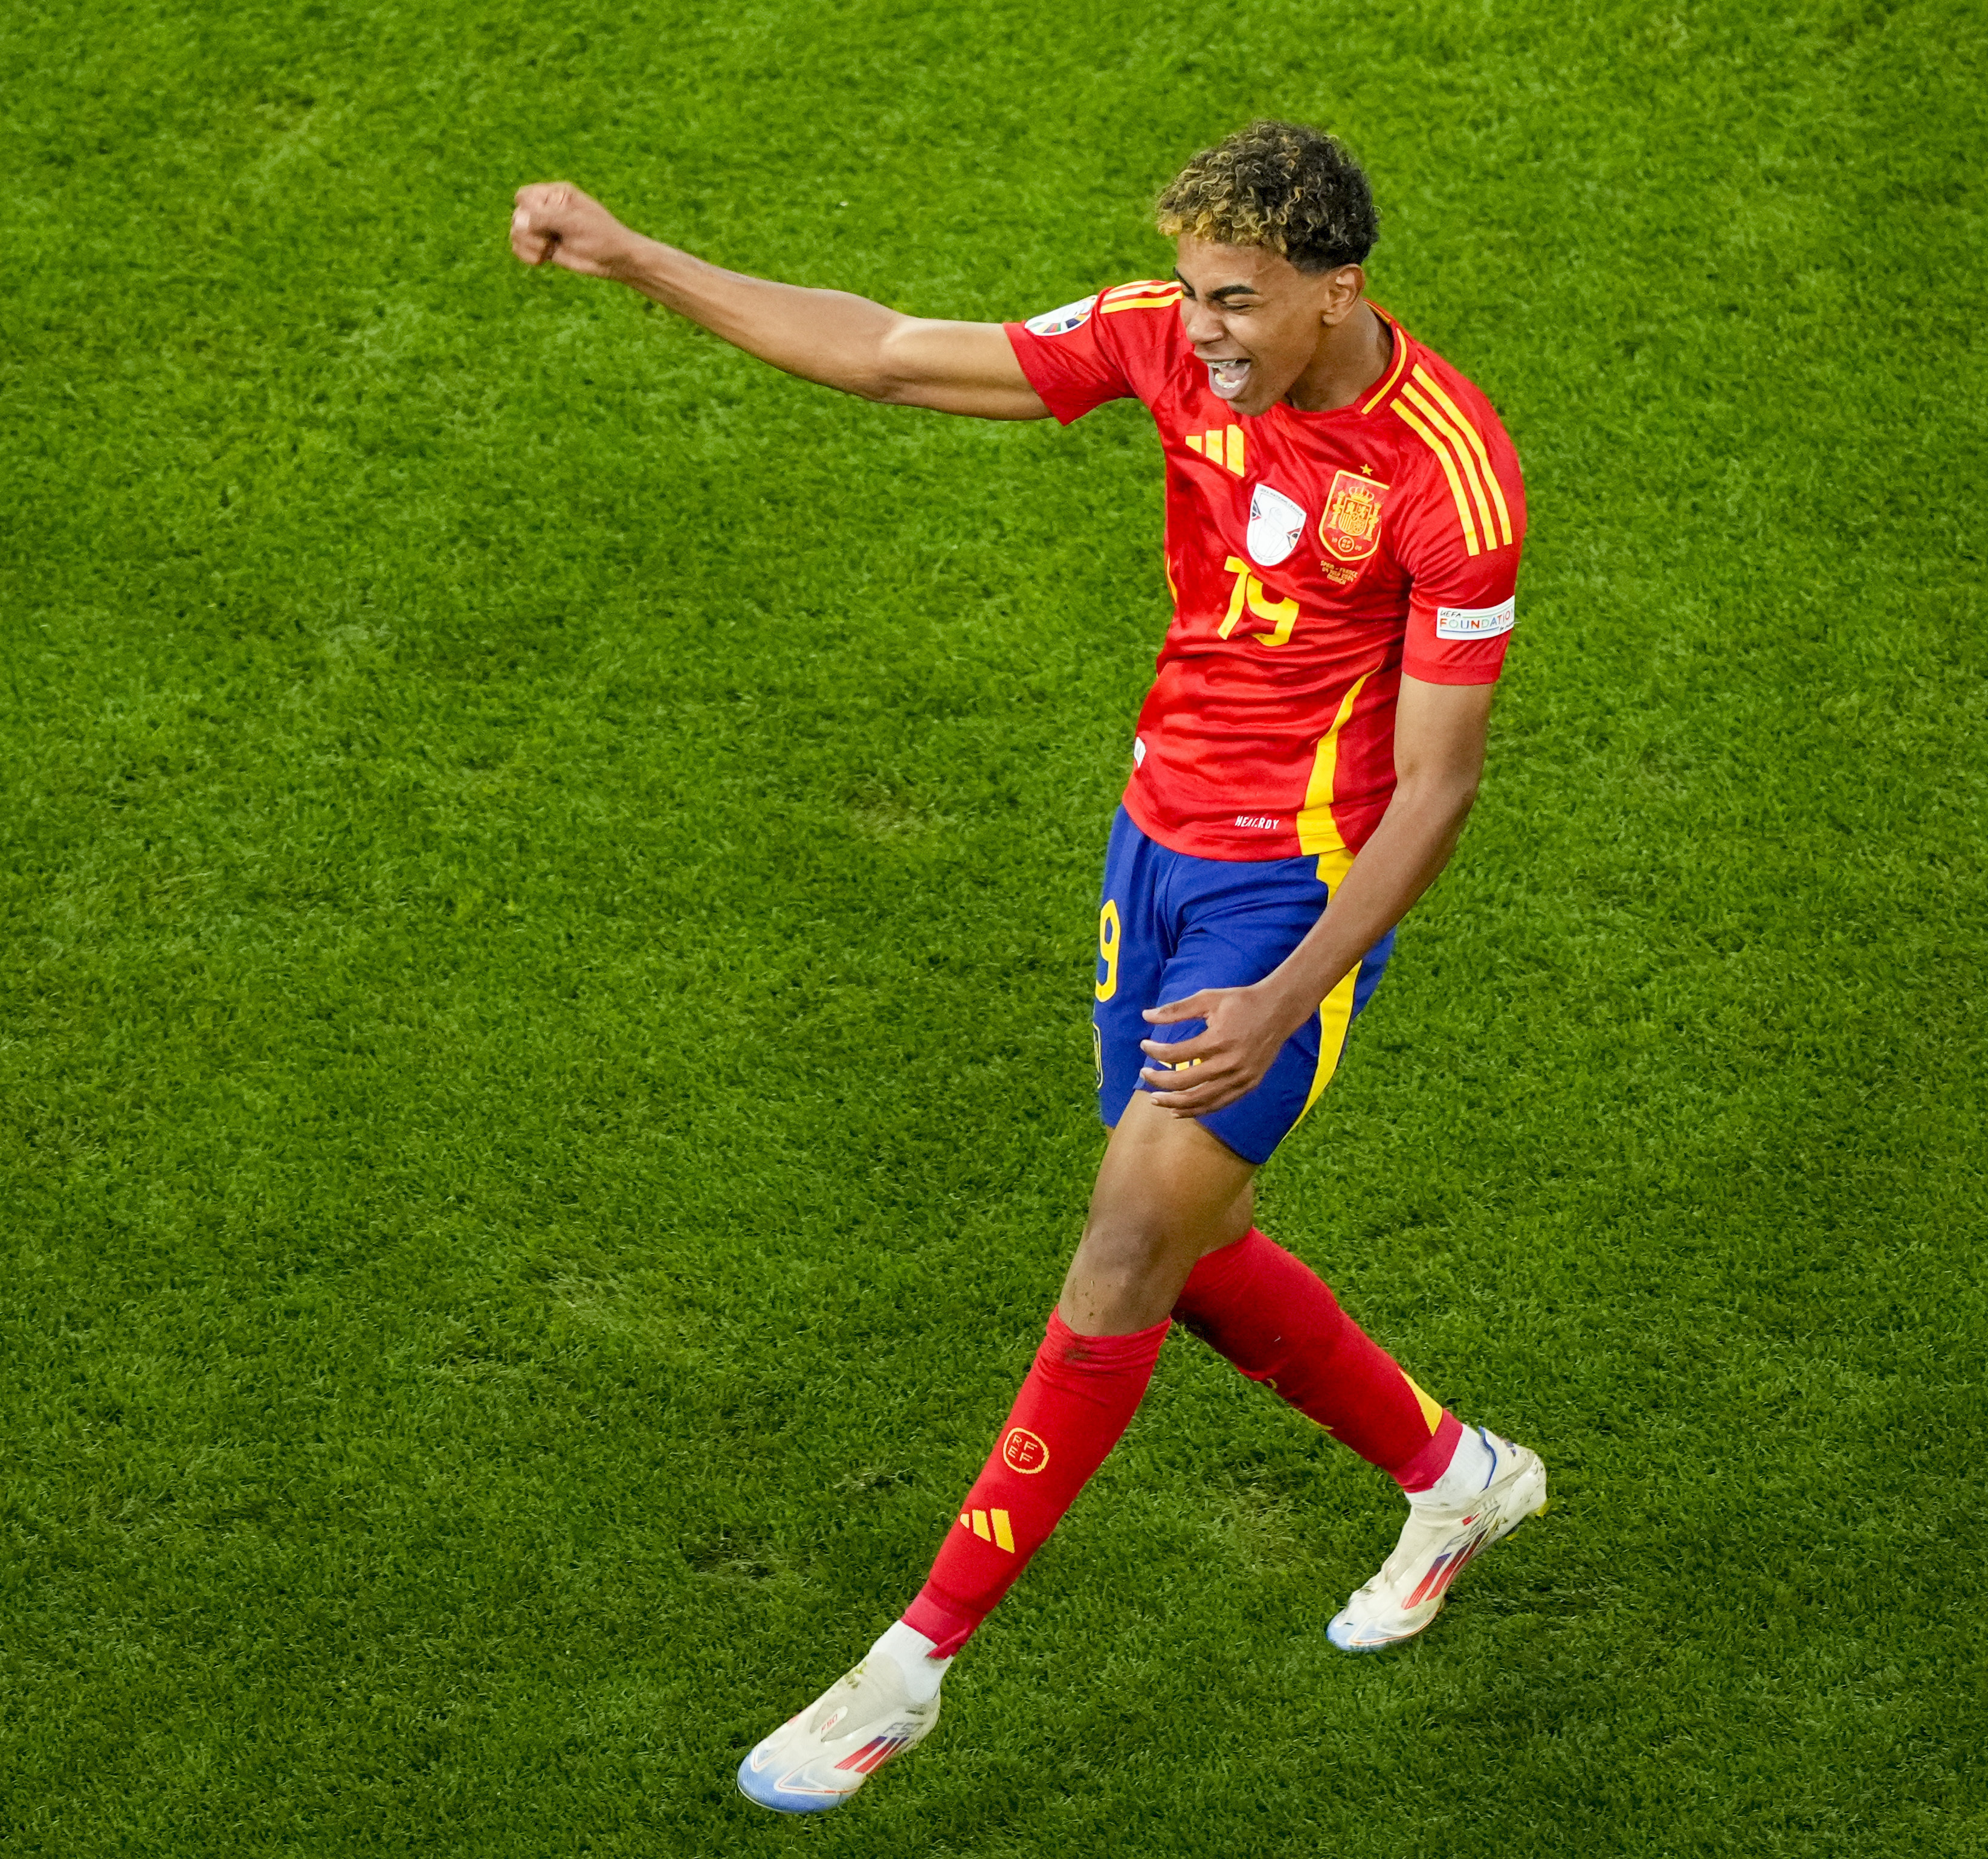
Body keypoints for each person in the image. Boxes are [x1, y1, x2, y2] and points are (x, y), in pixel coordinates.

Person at [510, 120, 1547, 1815]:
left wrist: (1287, 997)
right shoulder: (1164, 337)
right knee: (1185, 1252)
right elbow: (895, 354)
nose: (1205, 330)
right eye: (1198, 292)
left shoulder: (1450, 471)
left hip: (1293, 899)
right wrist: (637, 254)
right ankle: (1460, 1474)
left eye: (1243, 300)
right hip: (1151, 851)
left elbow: (1438, 786)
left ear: (1338, 287)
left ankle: (907, 1667)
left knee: (1129, 1235)